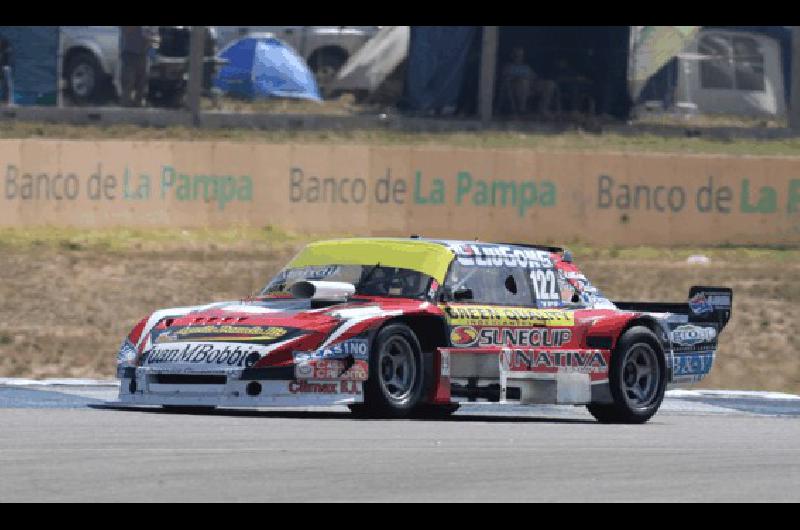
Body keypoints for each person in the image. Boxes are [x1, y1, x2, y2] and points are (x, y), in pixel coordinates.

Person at [500, 47, 559, 117]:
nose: (519, 57)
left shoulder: (526, 67)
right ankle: (522, 109)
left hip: (531, 86)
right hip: (516, 88)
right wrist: (519, 78)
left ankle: (543, 108)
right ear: (512, 56)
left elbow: (535, 77)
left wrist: (536, 80)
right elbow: (506, 80)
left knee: (550, 84)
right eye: (517, 55)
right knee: (524, 82)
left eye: (521, 55)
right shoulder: (508, 67)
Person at [119, 26, 155, 107]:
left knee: (142, 80)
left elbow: (153, 36)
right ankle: (126, 102)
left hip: (143, 53)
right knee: (128, 80)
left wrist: (151, 42)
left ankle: (139, 102)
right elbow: (125, 30)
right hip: (129, 52)